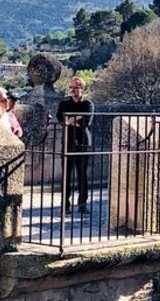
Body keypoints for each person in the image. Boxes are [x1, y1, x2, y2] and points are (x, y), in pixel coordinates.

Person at [56, 77, 94, 215]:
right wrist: (77, 118)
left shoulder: (88, 103)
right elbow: (61, 119)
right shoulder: (64, 103)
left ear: (82, 89)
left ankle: (82, 204)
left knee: (82, 174)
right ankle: (65, 204)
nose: (73, 90)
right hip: (68, 141)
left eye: (76, 87)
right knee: (66, 175)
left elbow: (86, 121)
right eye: (71, 87)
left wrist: (70, 119)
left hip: (83, 142)